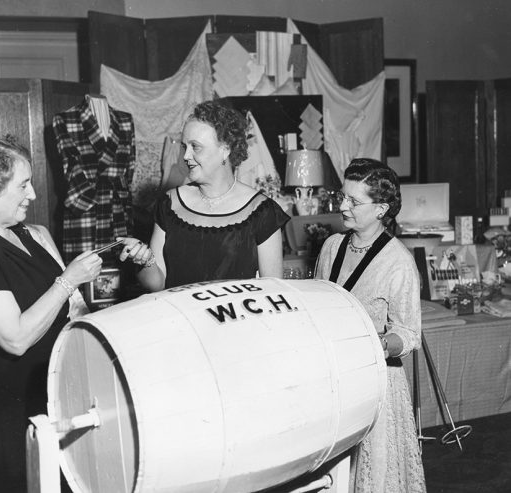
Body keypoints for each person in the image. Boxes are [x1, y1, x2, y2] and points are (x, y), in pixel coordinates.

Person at [0, 137, 103, 492]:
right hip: (5, 413)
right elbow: (15, 338)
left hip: (45, 397)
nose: (32, 195)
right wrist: (68, 280)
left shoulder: (22, 235)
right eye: (23, 185)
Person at [315, 158, 426, 492]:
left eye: (354, 201)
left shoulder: (398, 262)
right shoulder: (332, 245)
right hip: (334, 377)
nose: (342, 206)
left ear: (381, 209)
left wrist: (376, 342)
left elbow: (409, 335)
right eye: (343, 196)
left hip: (375, 382)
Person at [118, 100, 289, 290]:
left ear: (225, 151)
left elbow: (274, 292)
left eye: (195, 147)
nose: (185, 156)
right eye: (185, 146)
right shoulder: (170, 204)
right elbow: (157, 287)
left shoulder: (263, 211)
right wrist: (146, 261)